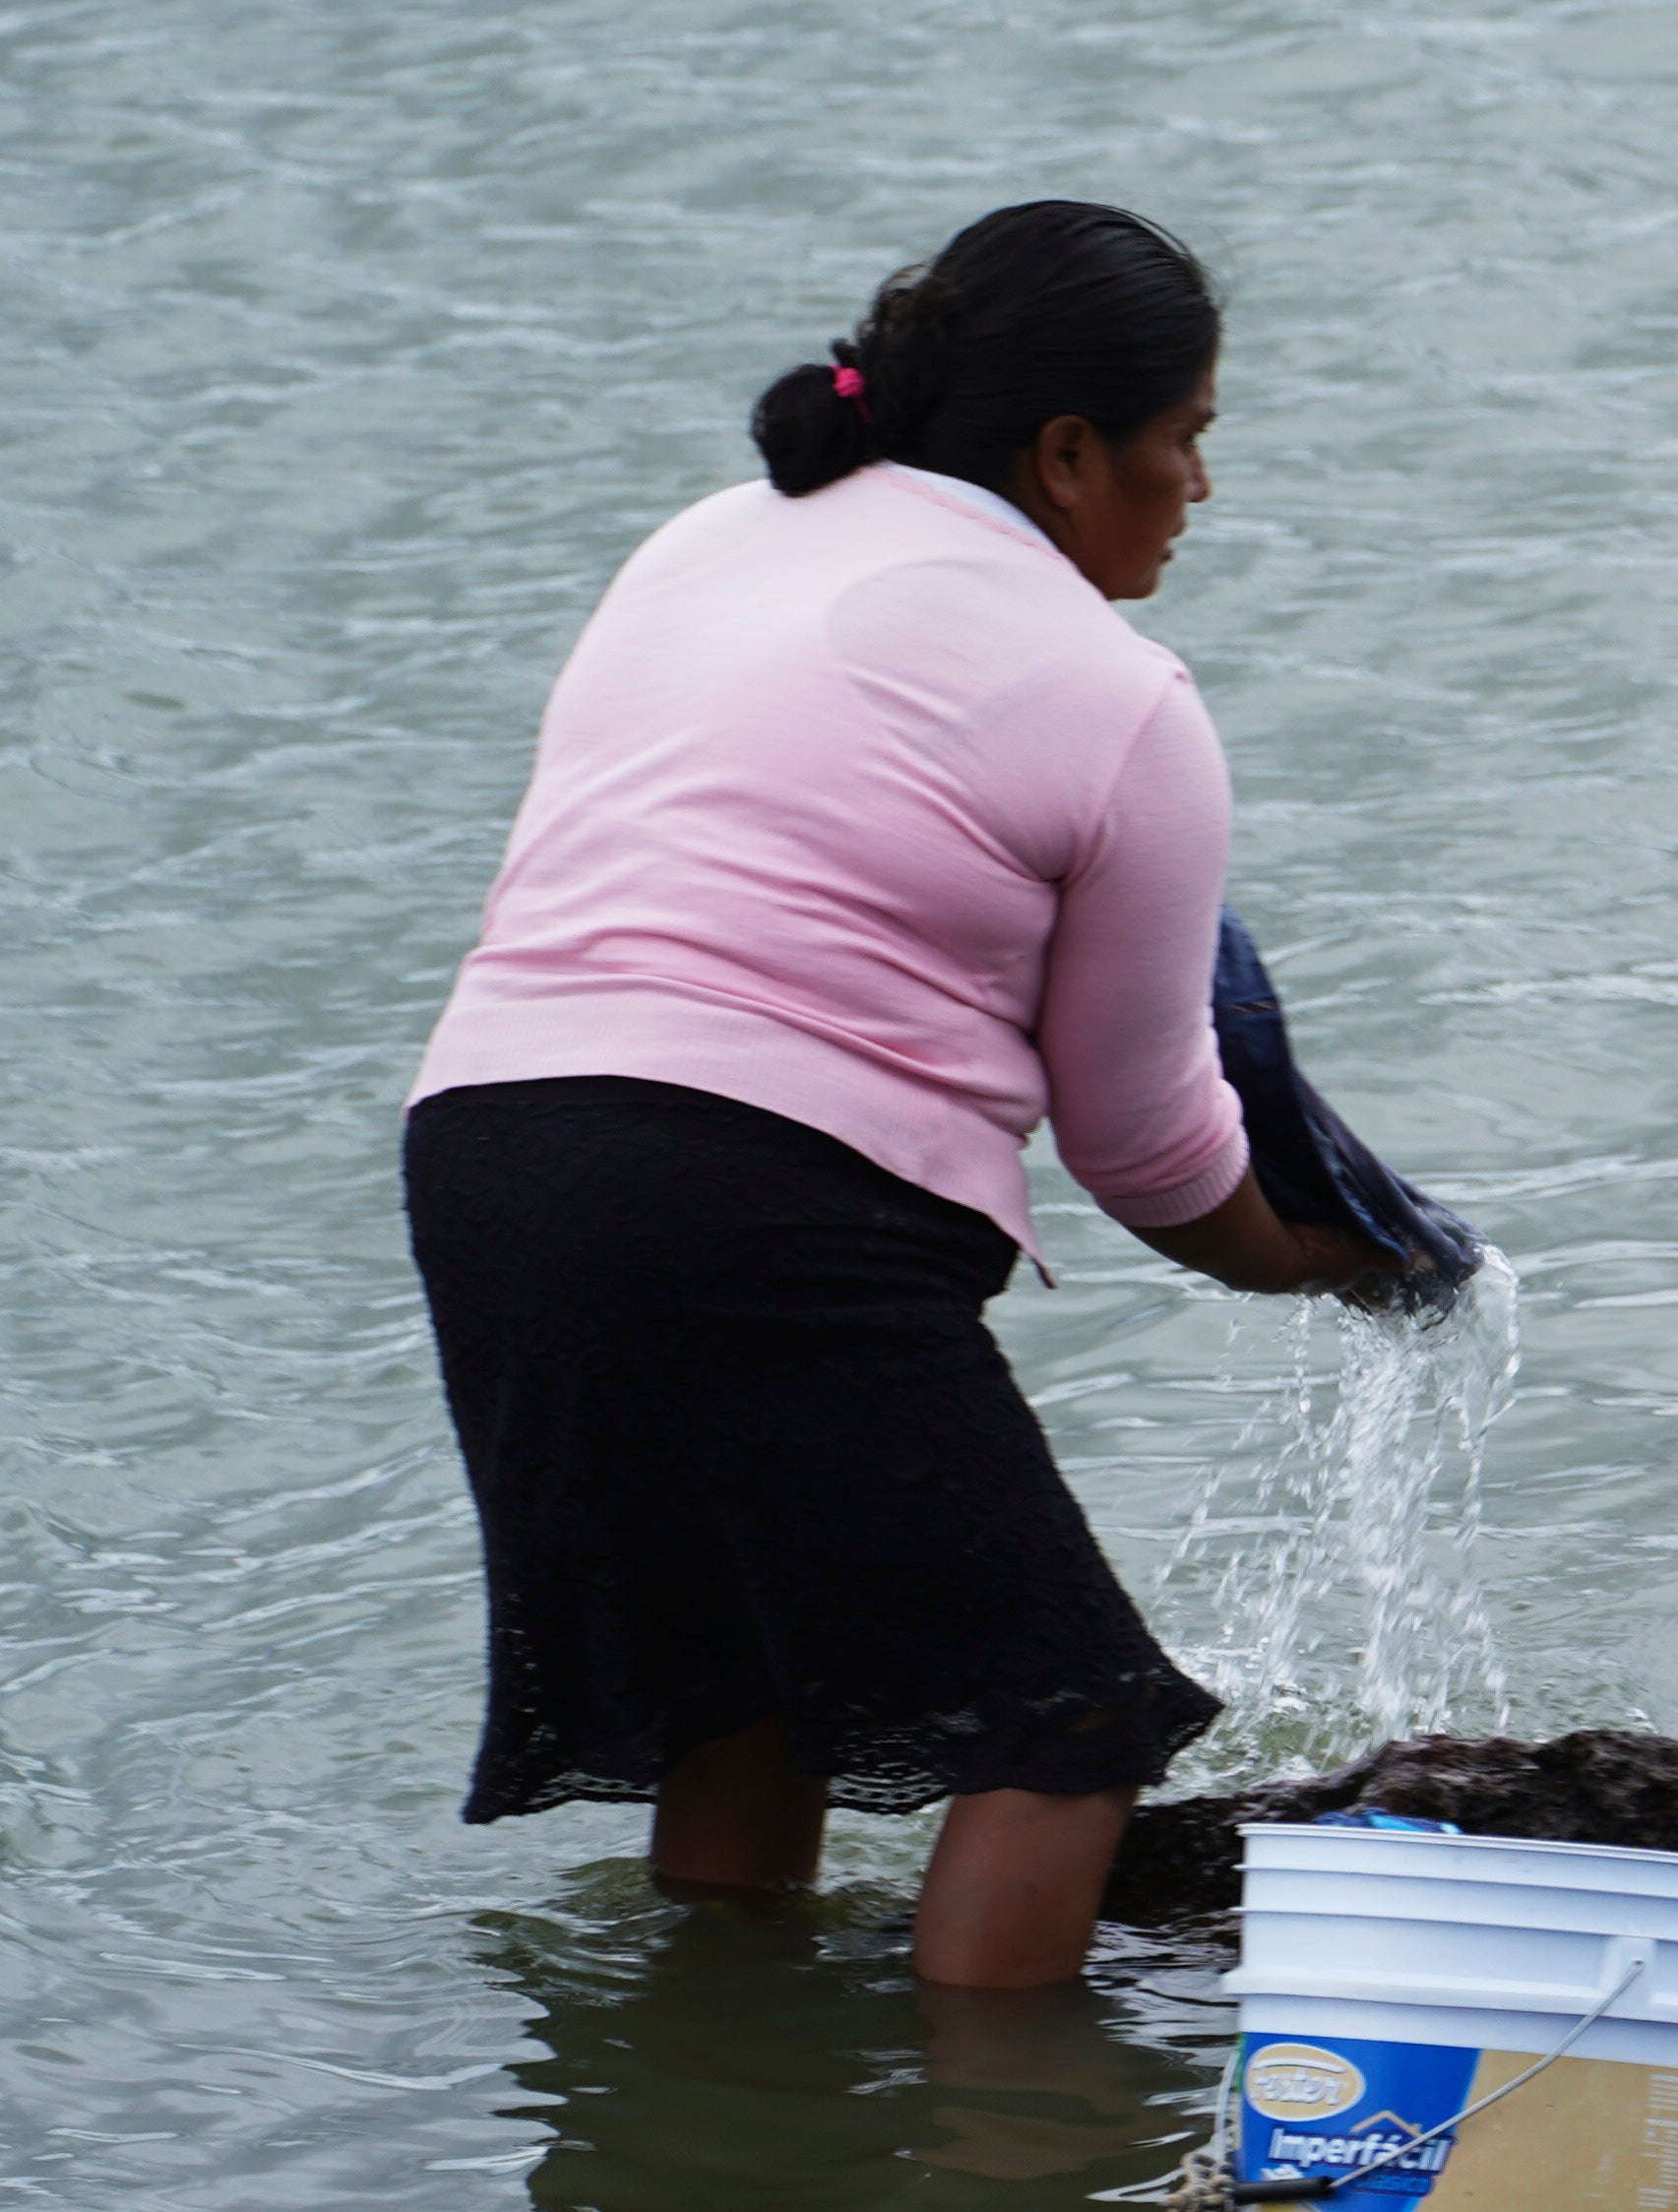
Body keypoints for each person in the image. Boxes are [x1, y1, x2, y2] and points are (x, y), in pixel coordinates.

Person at [404, 200, 1398, 1990]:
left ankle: (727, 2149)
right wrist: (1332, 1257)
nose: (1198, 487)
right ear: (1071, 449)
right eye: (1190, 440)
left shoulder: (713, 538)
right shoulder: (1118, 697)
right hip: (744, 1188)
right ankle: (1003, 2193)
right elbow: (1153, 1149)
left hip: (491, 1146)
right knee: (1068, 1727)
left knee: (741, 1702)